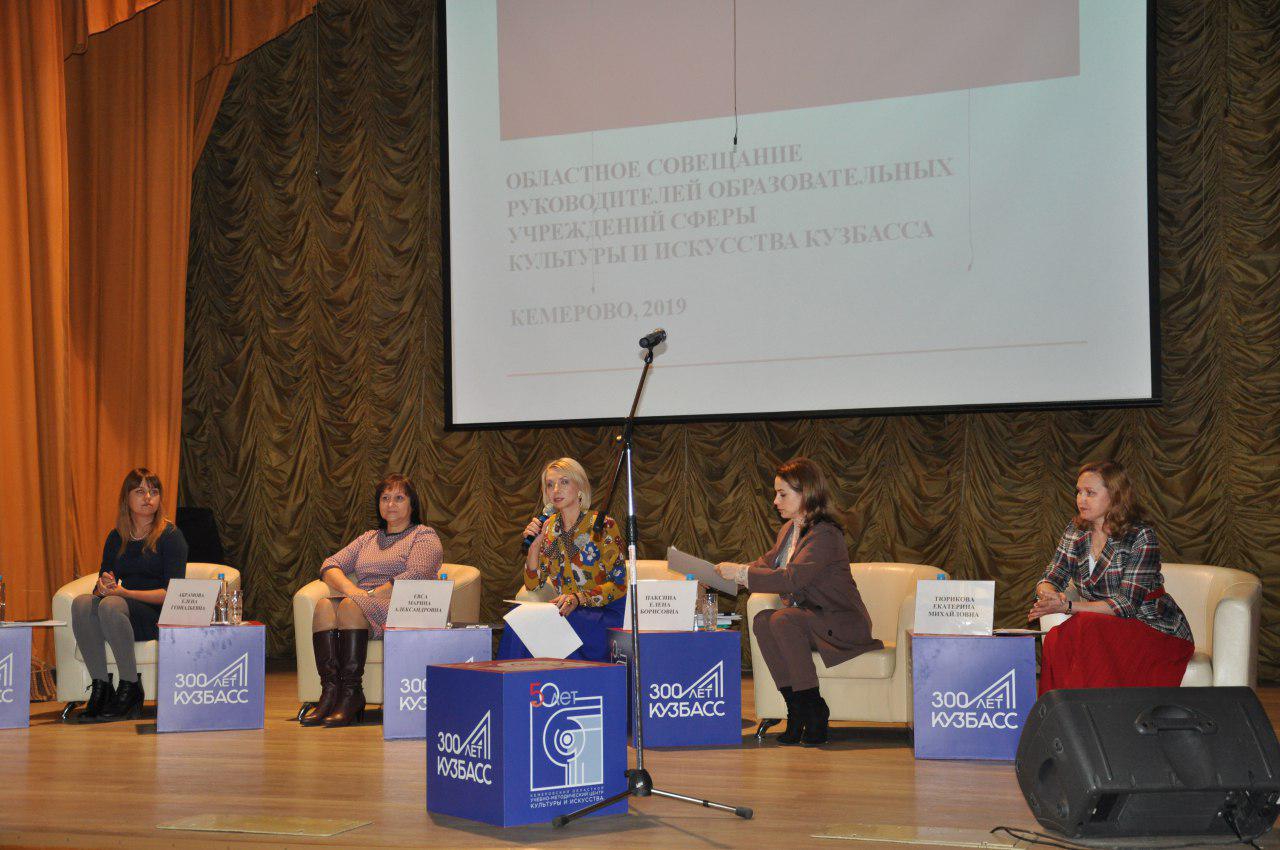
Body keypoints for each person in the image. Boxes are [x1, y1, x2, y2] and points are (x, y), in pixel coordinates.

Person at [716, 458, 881, 747]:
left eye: (782, 494)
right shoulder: (789, 530)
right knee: (762, 620)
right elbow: (764, 565)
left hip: (843, 622)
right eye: (775, 494)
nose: (775, 501)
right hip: (814, 620)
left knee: (784, 619)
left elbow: (792, 578)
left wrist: (739, 573)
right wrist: (719, 577)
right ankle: (795, 710)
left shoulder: (826, 533)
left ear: (806, 493)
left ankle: (814, 710)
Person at [1029, 461, 1194, 694]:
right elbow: (1052, 576)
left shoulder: (1140, 535)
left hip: (1152, 627)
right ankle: (1062, 711)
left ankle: (1091, 710)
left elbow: (1126, 604)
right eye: (1079, 492)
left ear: (1115, 495)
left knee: (1085, 625)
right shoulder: (1075, 531)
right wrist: (1048, 595)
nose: (1081, 499)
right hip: (1101, 626)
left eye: (1090, 493)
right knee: (1058, 637)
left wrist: (1067, 606)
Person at [303, 473, 443, 727]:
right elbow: (330, 564)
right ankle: (330, 692)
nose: (391, 504)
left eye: (399, 498)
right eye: (385, 498)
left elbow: (418, 573)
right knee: (324, 606)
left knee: (349, 605)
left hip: (402, 603)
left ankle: (352, 694)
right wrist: (351, 589)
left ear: (412, 504)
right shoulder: (368, 538)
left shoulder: (423, 535)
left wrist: (372, 594)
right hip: (362, 600)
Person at [71, 468, 188, 722]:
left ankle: (130, 686)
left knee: (111, 605)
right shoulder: (117, 537)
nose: (148, 497)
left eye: (153, 492)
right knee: (81, 604)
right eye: (140, 491)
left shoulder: (171, 536)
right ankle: (101, 687)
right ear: (126, 498)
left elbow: (173, 594)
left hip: (156, 614)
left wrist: (124, 593)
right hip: (119, 612)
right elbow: (104, 579)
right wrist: (103, 587)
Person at [497, 457, 628, 663]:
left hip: (604, 613)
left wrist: (578, 598)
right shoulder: (549, 528)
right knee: (518, 616)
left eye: (564, 482)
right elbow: (533, 585)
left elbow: (619, 585)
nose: (556, 490)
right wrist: (534, 548)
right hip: (567, 609)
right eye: (550, 485)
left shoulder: (603, 525)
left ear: (580, 488)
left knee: (561, 620)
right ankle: (509, 675)